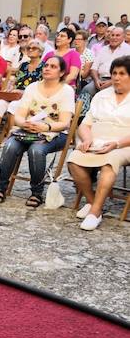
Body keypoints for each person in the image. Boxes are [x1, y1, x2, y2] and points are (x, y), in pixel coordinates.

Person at [0, 55, 75, 208]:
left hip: (54, 132)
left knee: (36, 150)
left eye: (53, 66)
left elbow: (64, 123)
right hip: (28, 129)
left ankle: (36, 192)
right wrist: (25, 123)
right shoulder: (32, 87)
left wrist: (46, 127)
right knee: (10, 146)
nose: (47, 68)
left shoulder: (66, 91)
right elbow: (19, 116)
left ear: (62, 72)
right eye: (46, 65)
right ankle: (1, 188)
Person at [68, 56, 130, 230]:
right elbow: (85, 124)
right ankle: (92, 200)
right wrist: (87, 139)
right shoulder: (101, 96)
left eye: (122, 74)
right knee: (74, 159)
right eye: (114, 73)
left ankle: (95, 212)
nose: (116, 78)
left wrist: (116, 144)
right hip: (97, 141)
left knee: (110, 162)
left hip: (124, 144)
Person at [0, 38, 45, 146]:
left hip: (32, 97)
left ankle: (10, 136)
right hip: (16, 94)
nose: (30, 50)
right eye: (28, 48)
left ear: (40, 51)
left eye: (34, 48)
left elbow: (42, 86)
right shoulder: (23, 65)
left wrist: (25, 93)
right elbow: (16, 81)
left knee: (13, 106)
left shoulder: (44, 67)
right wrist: (10, 88)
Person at [83, 26, 130, 101]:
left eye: (117, 35)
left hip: (118, 80)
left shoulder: (128, 50)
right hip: (99, 80)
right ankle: (83, 112)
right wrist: (96, 80)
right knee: (87, 90)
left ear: (123, 37)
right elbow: (94, 68)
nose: (114, 37)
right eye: (112, 35)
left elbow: (127, 73)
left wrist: (111, 82)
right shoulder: (103, 49)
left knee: (106, 95)